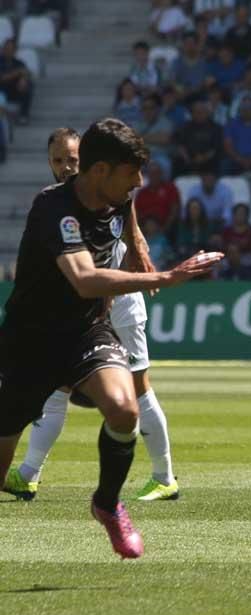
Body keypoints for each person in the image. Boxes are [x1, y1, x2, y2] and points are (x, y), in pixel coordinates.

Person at [0, 119, 219, 557]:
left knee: (123, 408)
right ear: (99, 171)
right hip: (30, 341)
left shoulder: (117, 197)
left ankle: (106, 504)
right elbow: (83, 278)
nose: (138, 183)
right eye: (130, 174)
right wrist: (165, 276)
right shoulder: (54, 207)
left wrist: (140, 250)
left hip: (85, 331)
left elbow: (128, 217)